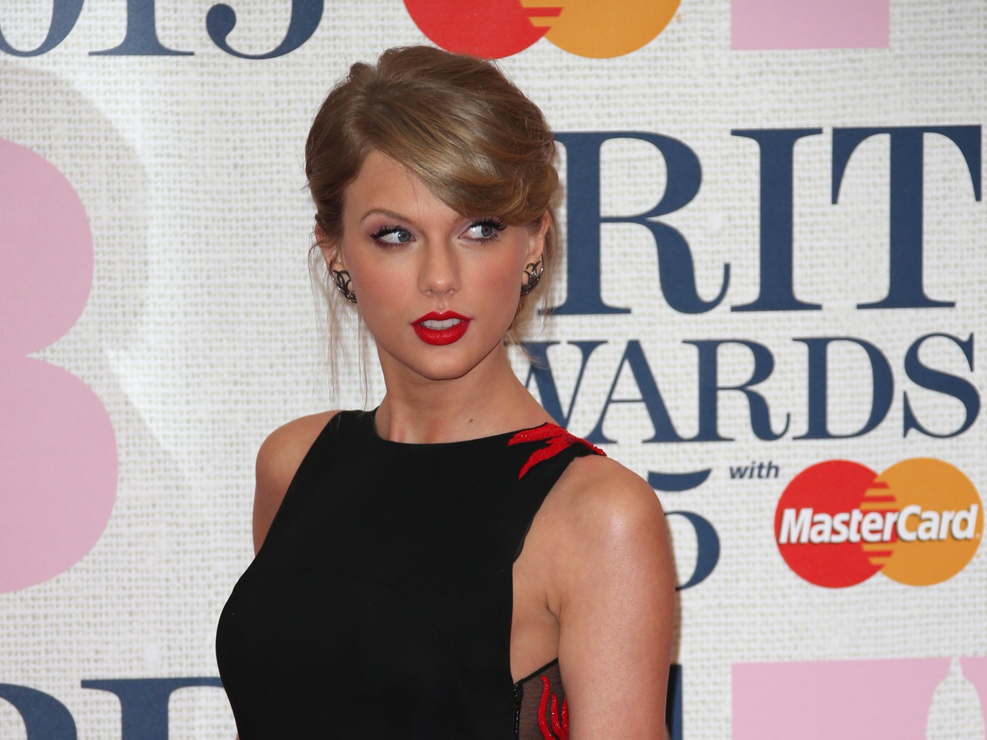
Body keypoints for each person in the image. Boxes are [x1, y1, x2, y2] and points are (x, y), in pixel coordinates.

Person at [216, 45, 675, 740]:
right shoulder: (293, 463)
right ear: (336, 247)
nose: (439, 277)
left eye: (478, 229)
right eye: (395, 235)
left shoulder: (598, 516)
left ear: (533, 243)